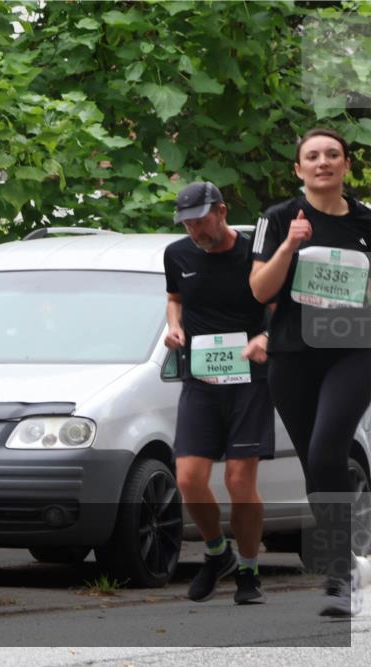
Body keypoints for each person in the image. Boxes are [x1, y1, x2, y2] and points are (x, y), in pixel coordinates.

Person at [250, 127, 371, 617]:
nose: (323, 162)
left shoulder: (366, 221)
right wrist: (289, 247)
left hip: (354, 348)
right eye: (312, 156)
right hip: (294, 354)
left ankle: (338, 577)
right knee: (317, 465)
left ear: (345, 166)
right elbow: (260, 290)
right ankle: (347, 561)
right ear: (299, 169)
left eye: (333, 155)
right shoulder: (278, 218)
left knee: (328, 449)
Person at [164, 182, 274, 605]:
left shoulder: (253, 255)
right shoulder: (177, 254)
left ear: (222, 211)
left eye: (201, 220)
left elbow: (279, 310)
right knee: (189, 477)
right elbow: (174, 298)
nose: (195, 230)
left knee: (238, 479)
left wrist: (265, 336)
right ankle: (217, 553)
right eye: (187, 223)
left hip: (249, 377)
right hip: (201, 376)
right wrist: (174, 325)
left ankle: (249, 570)